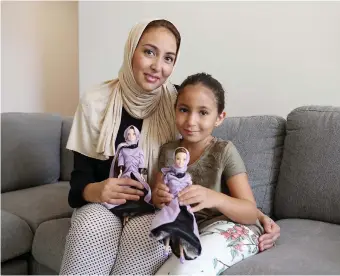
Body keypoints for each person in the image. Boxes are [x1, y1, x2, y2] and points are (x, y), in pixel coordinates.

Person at [60, 18, 280, 275]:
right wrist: (97, 190)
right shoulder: (95, 101)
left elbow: (232, 197)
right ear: (131, 50)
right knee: (93, 226)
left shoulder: (177, 101)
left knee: (154, 232)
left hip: (150, 211)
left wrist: (260, 217)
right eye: (149, 52)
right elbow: (77, 184)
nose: (157, 66)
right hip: (102, 206)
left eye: (168, 58)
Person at [154, 72, 263, 275]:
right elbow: (157, 199)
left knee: (183, 271)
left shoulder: (224, 151)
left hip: (231, 227)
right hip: (188, 229)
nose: (190, 121)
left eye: (203, 112)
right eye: (184, 110)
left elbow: (250, 211)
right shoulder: (168, 151)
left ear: (219, 117)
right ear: (175, 109)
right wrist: (159, 197)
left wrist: (213, 197)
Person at [150, 147, 201, 263]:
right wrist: (159, 194)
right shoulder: (168, 175)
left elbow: (190, 189)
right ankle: (166, 247)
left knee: (185, 226)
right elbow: (161, 188)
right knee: (168, 221)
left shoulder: (187, 178)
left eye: (183, 159)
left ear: (187, 160)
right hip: (172, 202)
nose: (180, 162)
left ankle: (182, 253)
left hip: (183, 203)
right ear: (174, 158)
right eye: (178, 158)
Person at [102, 125, 154, 225]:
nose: (131, 136)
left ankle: (136, 210)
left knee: (142, 190)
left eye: (133, 134)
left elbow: (141, 163)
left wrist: (142, 175)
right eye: (129, 134)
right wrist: (120, 172)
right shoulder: (122, 149)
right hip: (126, 173)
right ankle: (123, 212)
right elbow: (121, 162)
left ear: (137, 136)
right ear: (126, 136)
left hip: (136, 173)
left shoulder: (139, 150)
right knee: (122, 189)